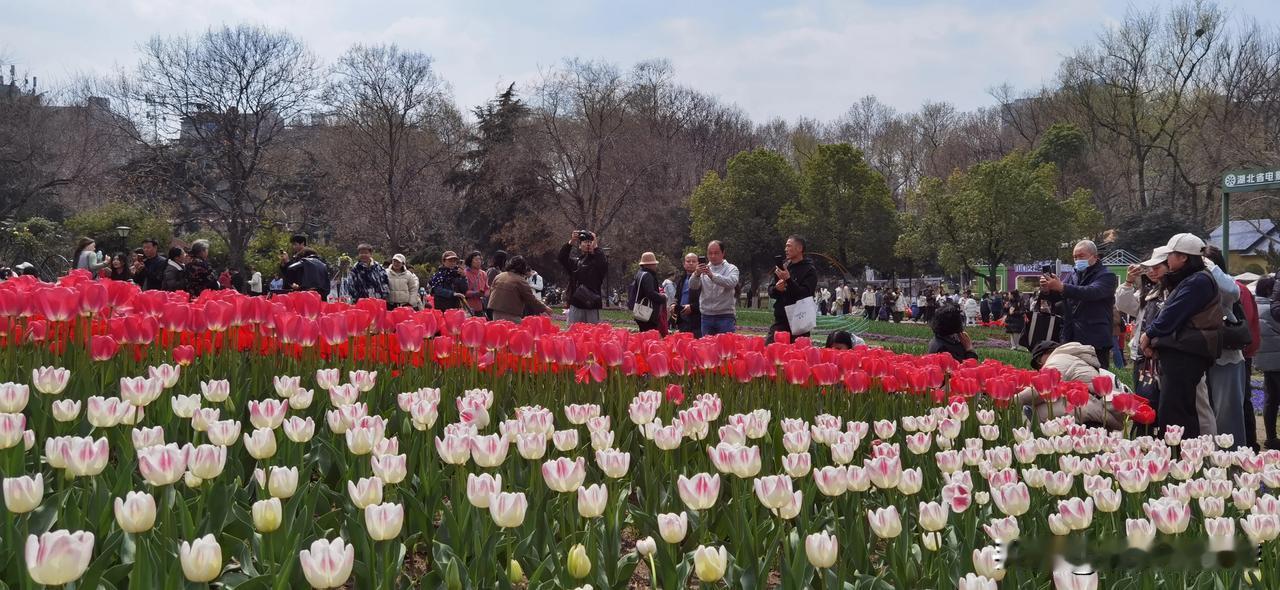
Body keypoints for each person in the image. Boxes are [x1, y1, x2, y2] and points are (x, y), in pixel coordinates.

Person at [1140, 233, 1220, 438]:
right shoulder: (1192, 279)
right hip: (1183, 350)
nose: (1167, 260)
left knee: (1177, 412)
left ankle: (1182, 458)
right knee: (1176, 408)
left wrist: (1149, 334)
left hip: (1186, 352)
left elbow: (1171, 314)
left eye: (1171, 255)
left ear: (1183, 257)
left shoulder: (1198, 281)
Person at [1039, 240, 1120, 369]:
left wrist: (1062, 287)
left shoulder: (1107, 275)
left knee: (1096, 378)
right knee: (1071, 376)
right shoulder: (1073, 274)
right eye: (1075, 257)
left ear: (1094, 256)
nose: (1077, 260)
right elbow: (1061, 296)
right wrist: (1048, 289)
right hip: (1071, 335)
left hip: (1095, 338)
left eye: (1081, 256)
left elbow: (1092, 292)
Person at [1017, 340, 1124, 429]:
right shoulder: (1074, 359)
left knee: (1036, 412)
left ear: (1048, 353)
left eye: (1038, 362)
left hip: (1090, 410)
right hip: (1101, 410)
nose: (1040, 368)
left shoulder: (1058, 359)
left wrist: (1016, 399)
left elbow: (1045, 385)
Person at [1203, 245, 1246, 447]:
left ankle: (1233, 462)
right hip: (1200, 355)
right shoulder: (1195, 285)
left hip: (1226, 356)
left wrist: (1209, 266)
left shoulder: (1225, 287)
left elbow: (1232, 290)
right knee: (1207, 413)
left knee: (1227, 414)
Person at [767, 235, 818, 342]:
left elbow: (804, 294)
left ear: (799, 248)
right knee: (771, 351)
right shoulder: (783, 267)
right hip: (781, 320)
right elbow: (771, 290)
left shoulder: (809, 270)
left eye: (789, 246)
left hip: (800, 321)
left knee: (797, 355)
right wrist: (777, 289)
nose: (786, 249)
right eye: (786, 247)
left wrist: (789, 280)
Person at [557, 231, 608, 325]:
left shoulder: (598, 262)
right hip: (576, 303)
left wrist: (596, 245)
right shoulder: (575, 263)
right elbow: (562, 258)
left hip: (592, 304)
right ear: (579, 246)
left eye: (590, 241)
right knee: (573, 332)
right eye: (585, 241)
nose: (588, 244)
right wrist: (571, 242)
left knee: (593, 333)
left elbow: (603, 262)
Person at [1254, 276, 1279, 450]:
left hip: (1265, 362)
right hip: (1278, 360)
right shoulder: (1273, 308)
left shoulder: (1255, 305)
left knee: (1270, 401)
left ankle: (1271, 437)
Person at [696, 241, 740, 336]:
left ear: (723, 253)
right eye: (710, 253)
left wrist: (712, 276)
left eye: (716, 253)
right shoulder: (701, 269)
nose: (713, 256)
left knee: (725, 348)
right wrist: (696, 275)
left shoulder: (732, 269)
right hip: (706, 316)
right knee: (706, 348)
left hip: (725, 316)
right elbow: (693, 286)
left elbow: (731, 282)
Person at [489, 256, 552, 322]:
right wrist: (544, 308)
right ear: (523, 268)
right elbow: (531, 299)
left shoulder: (499, 276)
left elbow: (492, 291)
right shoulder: (521, 281)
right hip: (511, 313)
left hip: (495, 311)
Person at [629, 252, 668, 335]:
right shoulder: (647, 275)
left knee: (643, 334)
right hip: (648, 313)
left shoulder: (639, 274)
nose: (655, 266)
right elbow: (650, 293)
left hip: (640, 310)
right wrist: (663, 298)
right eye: (654, 264)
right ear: (649, 265)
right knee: (650, 334)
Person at [671, 253, 702, 338]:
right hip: (682, 319)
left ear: (698, 264)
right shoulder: (682, 279)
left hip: (697, 320)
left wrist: (692, 307)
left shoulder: (703, 279)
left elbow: (707, 300)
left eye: (694, 261)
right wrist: (673, 304)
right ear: (684, 264)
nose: (691, 263)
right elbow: (677, 296)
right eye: (688, 261)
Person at [463, 251, 489, 316]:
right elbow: (463, 292)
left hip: (480, 307)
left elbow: (486, 288)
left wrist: (486, 293)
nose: (479, 261)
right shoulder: (465, 273)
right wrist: (476, 293)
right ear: (470, 261)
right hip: (468, 307)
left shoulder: (483, 274)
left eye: (480, 259)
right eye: (476, 259)